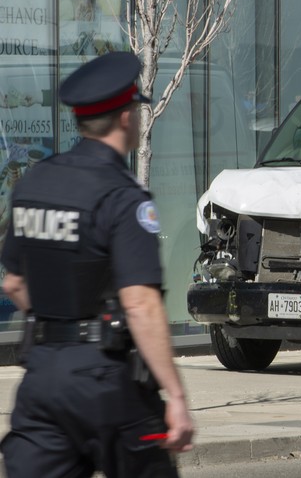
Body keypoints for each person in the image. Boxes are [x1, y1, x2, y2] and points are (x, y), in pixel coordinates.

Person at [0, 51, 195, 477]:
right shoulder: (123, 198)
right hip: (108, 384)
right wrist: (176, 397)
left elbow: (14, 282)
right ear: (127, 118)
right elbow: (141, 305)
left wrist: (58, 326)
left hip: (43, 378)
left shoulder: (34, 183)